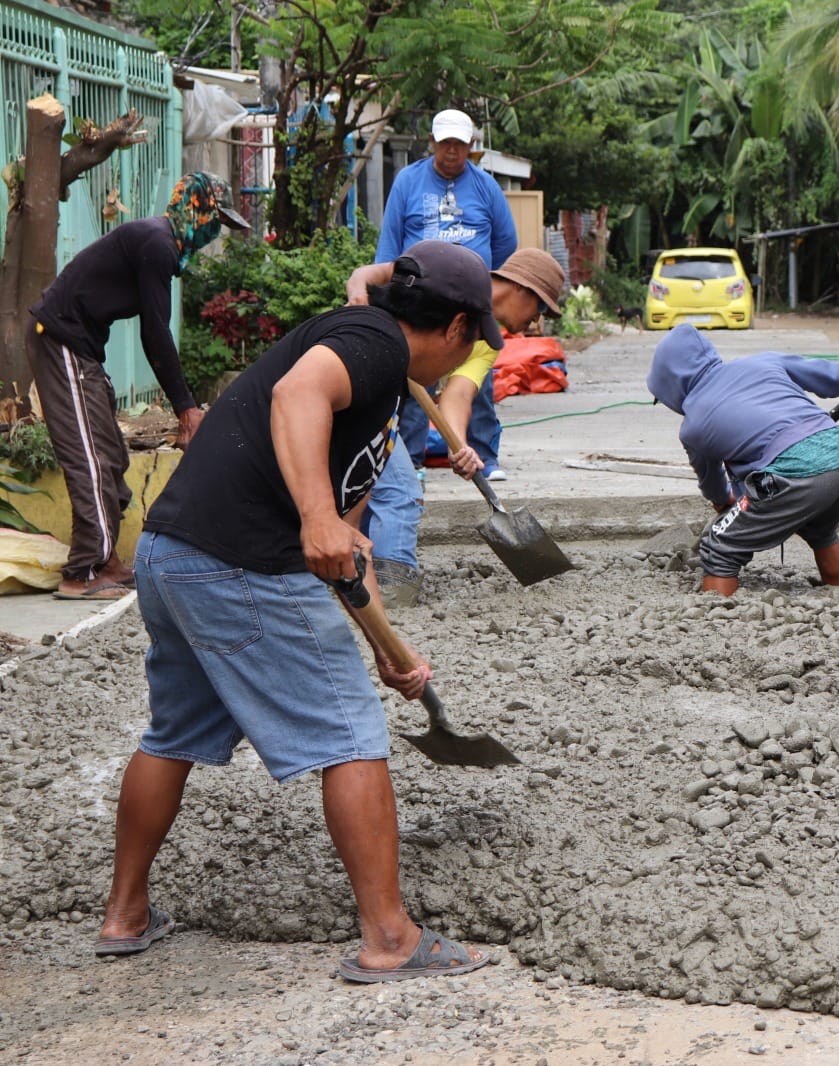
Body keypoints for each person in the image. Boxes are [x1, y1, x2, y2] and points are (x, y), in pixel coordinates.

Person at [93, 240, 503, 984]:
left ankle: (125, 916)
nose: (467, 355)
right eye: (474, 340)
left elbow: (349, 540)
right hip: (241, 564)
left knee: (174, 733)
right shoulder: (371, 343)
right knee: (350, 733)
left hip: (172, 556)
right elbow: (298, 397)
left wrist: (384, 644)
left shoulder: (375, 386)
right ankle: (390, 937)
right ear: (453, 328)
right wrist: (313, 515)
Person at [25, 171, 248, 600]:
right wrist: (186, 407)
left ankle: (105, 561)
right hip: (60, 340)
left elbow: (155, 330)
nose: (214, 232)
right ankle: (82, 573)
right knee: (88, 457)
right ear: (196, 210)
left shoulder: (160, 245)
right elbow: (155, 333)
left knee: (110, 452)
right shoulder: (157, 243)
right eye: (215, 220)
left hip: (83, 348)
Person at [346, 247, 567, 601]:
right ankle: (389, 592)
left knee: (376, 489)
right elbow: (372, 273)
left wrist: (458, 445)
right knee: (400, 491)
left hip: (381, 398)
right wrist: (358, 290)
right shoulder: (456, 275)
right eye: (540, 309)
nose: (536, 322)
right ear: (524, 289)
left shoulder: (489, 341)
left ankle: (361, 577)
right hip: (356, 375)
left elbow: (458, 394)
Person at [647, 324, 839, 596]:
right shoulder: (761, 362)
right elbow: (823, 373)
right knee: (820, 530)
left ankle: (712, 622)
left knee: (719, 546)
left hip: (797, 473)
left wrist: (726, 503)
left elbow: (712, 482)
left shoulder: (693, 429)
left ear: (670, 387)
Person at [376, 108, 517, 484]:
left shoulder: (486, 186)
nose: (452, 151)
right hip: (419, 300)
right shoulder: (407, 181)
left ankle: (484, 453)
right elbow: (390, 241)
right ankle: (412, 459)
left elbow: (505, 243)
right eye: (445, 143)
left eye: (459, 144)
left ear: (470, 147)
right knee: (415, 376)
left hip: (471, 298)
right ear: (432, 143)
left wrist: (491, 287)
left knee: (477, 379)